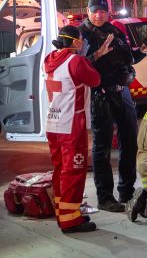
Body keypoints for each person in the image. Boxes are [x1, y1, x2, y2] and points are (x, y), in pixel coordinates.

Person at [80, 0, 147, 212]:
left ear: (108, 11)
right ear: (88, 11)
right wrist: (97, 54)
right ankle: (105, 197)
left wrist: (140, 53)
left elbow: (126, 57)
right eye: (95, 11)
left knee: (130, 143)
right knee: (103, 147)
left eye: (102, 11)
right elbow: (77, 64)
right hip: (100, 94)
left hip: (123, 93)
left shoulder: (115, 30)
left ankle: (126, 191)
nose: (99, 15)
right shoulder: (83, 34)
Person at [43, 25, 102, 234]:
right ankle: (71, 221)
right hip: (71, 125)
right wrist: (89, 57)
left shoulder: (49, 59)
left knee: (60, 171)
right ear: (76, 42)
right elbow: (95, 79)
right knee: (73, 172)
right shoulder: (76, 61)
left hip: (53, 122)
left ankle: (64, 213)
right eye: (81, 40)